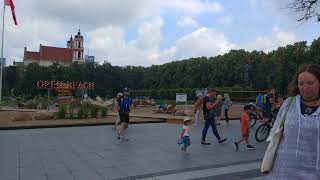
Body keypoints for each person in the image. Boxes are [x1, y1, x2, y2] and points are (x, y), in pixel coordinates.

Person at [266, 64, 320, 179]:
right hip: (282, 172)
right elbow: (275, 133)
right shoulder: (288, 104)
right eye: (301, 84)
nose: (305, 87)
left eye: (310, 83)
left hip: (314, 172)